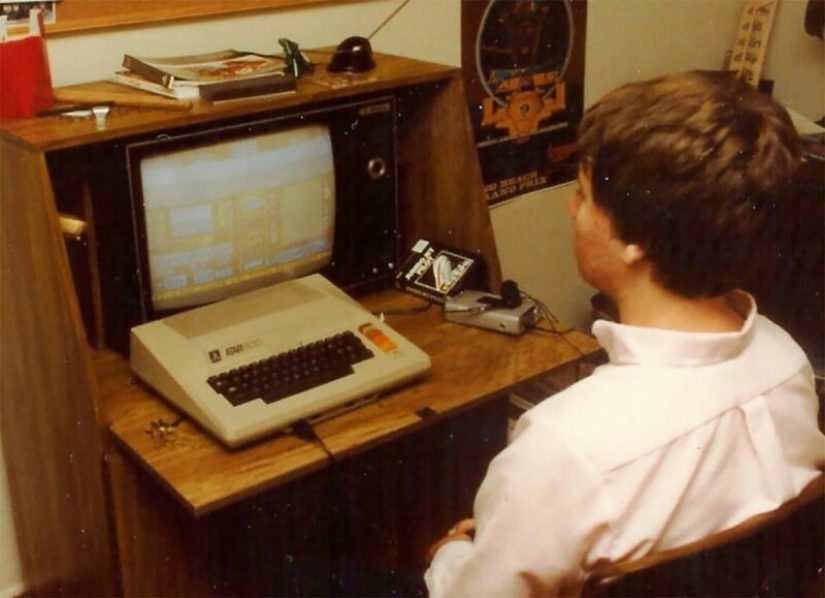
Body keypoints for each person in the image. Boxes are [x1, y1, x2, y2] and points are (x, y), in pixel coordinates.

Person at [424, 70, 825, 597]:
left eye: (585, 195)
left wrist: (450, 555)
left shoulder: (562, 447)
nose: (572, 207)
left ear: (636, 236)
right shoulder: (786, 360)